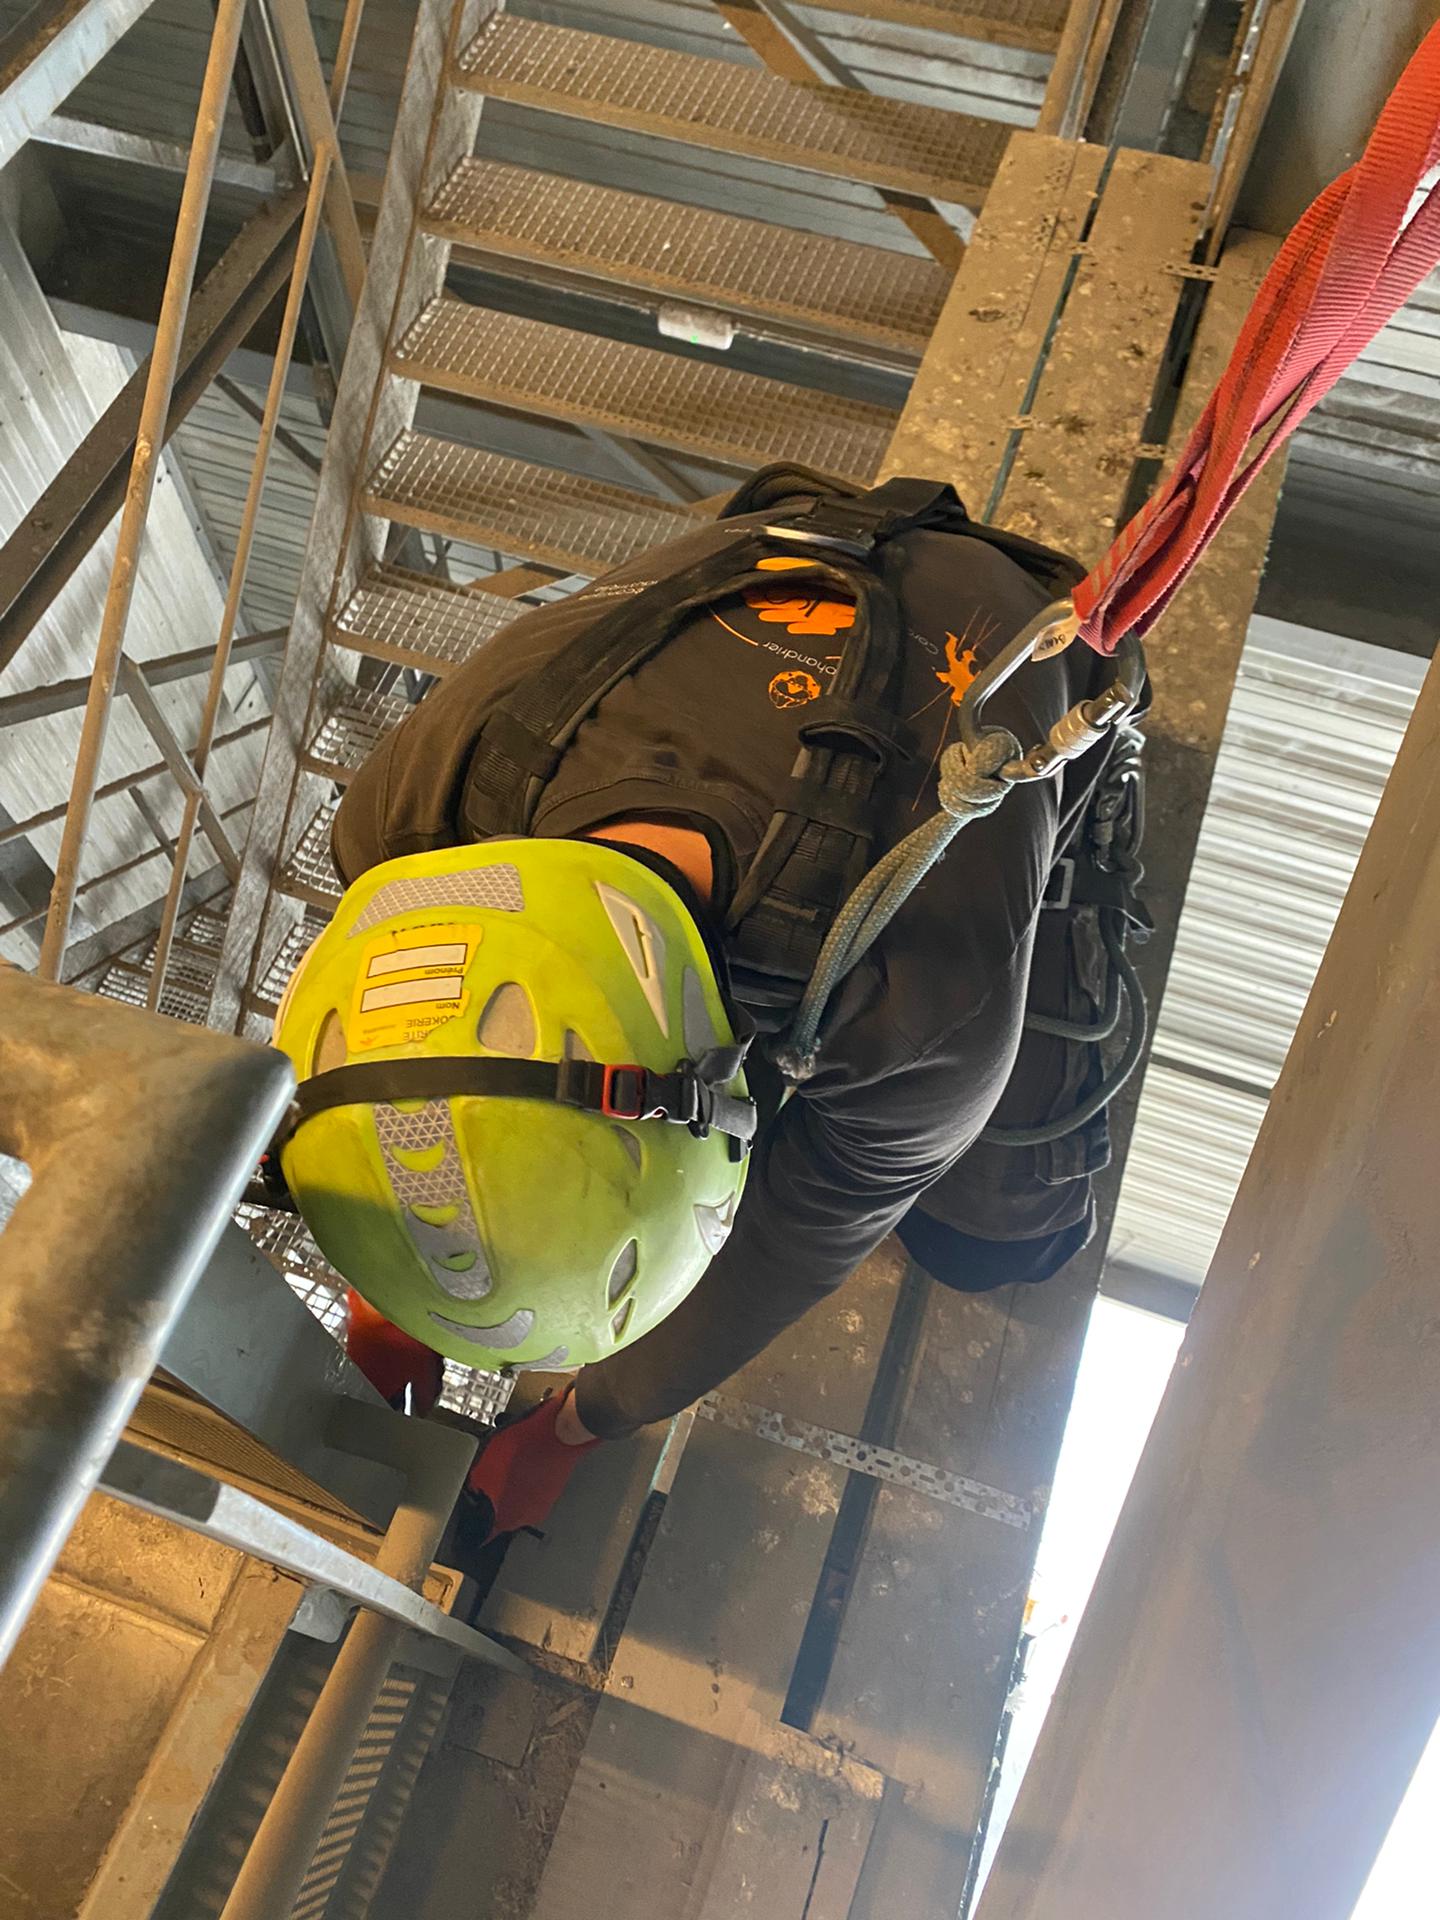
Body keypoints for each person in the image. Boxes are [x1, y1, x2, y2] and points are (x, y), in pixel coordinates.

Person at [269, 467, 1144, 1540]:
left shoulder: (922, 1008)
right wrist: (396, 1274)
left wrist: (579, 1422)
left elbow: (800, 1240)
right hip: (777, 539)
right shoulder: (402, 826)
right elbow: (412, 1065)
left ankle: (1101, 793)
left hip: (1012, 614)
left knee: (996, 1236)